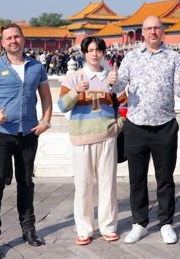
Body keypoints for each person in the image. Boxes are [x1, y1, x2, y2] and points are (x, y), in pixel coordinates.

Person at [0, 23, 52, 259]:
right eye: (8, 38)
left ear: (23, 39)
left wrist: (45, 121)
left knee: (26, 183)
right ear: (2, 43)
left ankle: (29, 229)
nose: (13, 41)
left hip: (28, 134)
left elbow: (45, 97)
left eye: (17, 36)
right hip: (0, 135)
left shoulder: (36, 66)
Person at [111, 15, 180, 245]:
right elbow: (117, 87)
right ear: (142, 32)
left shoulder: (174, 57)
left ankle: (166, 222)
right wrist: (112, 79)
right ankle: (139, 223)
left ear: (162, 31)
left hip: (164, 125)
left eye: (157, 28)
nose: (153, 32)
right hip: (135, 124)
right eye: (148, 28)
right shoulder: (131, 57)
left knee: (165, 178)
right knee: (137, 178)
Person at [58, 36, 124, 246]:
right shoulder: (74, 78)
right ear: (84, 54)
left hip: (107, 137)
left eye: (98, 50)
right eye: (90, 50)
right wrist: (76, 92)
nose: (95, 54)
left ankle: (108, 226)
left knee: (108, 184)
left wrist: (118, 125)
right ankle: (84, 228)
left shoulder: (112, 78)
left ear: (104, 53)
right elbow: (62, 106)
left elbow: (123, 103)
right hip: (82, 138)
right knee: (84, 185)